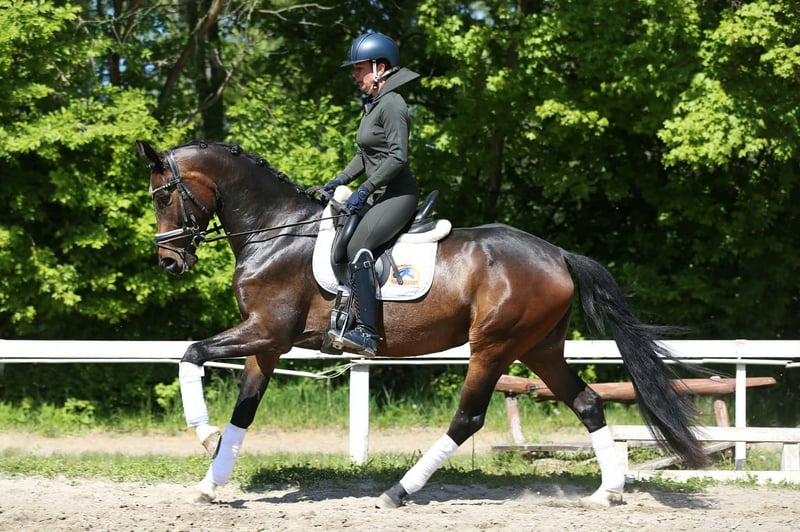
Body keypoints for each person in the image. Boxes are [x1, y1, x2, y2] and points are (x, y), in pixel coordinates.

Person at [322, 32, 421, 357]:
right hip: (381, 195)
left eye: (359, 68)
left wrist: (364, 189)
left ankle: (367, 333)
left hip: (398, 195)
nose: (355, 75)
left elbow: (398, 157)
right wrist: (340, 179)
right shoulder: (374, 105)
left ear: (380, 67)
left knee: (356, 247)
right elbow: (364, 155)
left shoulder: (392, 103)